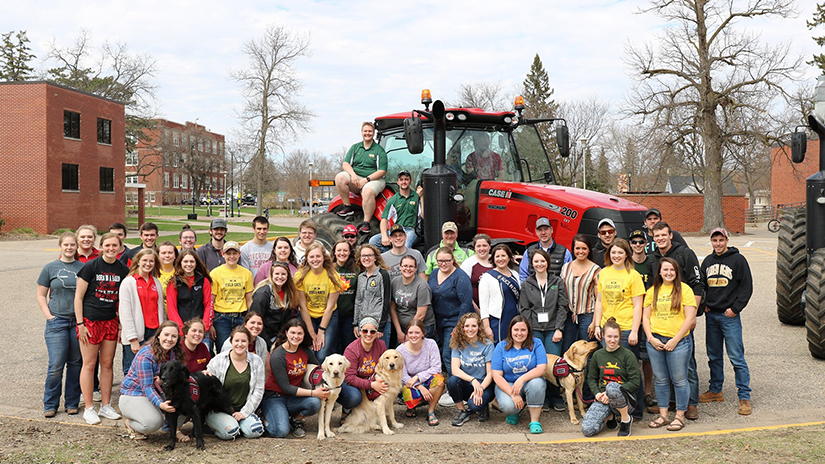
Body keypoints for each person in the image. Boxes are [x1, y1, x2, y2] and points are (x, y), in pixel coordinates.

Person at [650, 221, 704, 420]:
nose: (660, 239)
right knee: (665, 368)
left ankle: (691, 403)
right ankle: (671, 402)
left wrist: (692, 316)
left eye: (663, 235)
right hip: (662, 321)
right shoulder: (653, 258)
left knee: (687, 365)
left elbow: (698, 285)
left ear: (670, 235)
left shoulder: (685, 254)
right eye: (656, 236)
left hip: (684, 318)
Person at [74, 232, 129, 425]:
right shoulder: (91, 266)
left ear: (120, 247)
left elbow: (122, 300)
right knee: (89, 365)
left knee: (107, 364)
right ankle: (89, 407)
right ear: (102, 246)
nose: (111, 249)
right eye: (107, 245)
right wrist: (80, 324)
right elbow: (78, 297)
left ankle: (106, 406)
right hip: (90, 321)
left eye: (115, 245)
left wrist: (121, 325)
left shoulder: (123, 269)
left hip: (110, 322)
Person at [699, 228, 754, 416]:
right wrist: (704, 304)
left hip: (729, 316)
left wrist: (735, 309)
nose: (718, 244)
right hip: (711, 316)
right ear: (711, 241)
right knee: (714, 355)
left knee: (737, 357)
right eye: (714, 240)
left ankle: (744, 396)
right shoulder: (707, 261)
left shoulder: (738, 260)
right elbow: (701, 285)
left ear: (727, 240)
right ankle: (716, 390)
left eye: (721, 240)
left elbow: (746, 287)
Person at [592, 238, 646, 421]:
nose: (616, 256)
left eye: (620, 253)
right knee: (608, 370)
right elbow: (599, 301)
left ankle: (636, 410)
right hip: (607, 329)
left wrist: (634, 330)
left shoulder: (633, 275)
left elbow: (638, 305)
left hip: (625, 329)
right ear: (609, 254)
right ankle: (614, 409)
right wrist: (598, 324)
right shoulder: (604, 273)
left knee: (630, 372)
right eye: (613, 252)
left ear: (626, 255)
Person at [643, 257, 697, 431]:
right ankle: (664, 415)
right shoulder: (653, 291)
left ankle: (680, 415)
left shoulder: (685, 290)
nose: (668, 273)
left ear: (676, 272)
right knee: (661, 380)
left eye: (672, 270)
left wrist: (676, 339)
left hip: (678, 341)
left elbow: (689, 318)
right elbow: (645, 317)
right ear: (659, 272)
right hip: (656, 341)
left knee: (680, 380)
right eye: (665, 270)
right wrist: (651, 338)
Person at [37, 232, 84, 418]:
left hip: (77, 322)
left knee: (75, 363)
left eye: (73, 245)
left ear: (76, 247)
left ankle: (72, 402)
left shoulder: (83, 267)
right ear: (60, 246)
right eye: (66, 245)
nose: (69, 248)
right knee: (56, 364)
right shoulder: (50, 268)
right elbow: (41, 294)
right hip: (57, 321)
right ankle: (50, 404)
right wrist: (49, 316)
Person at [518, 248, 569, 411]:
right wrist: (529, 330)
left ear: (547, 262)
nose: (540, 264)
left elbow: (562, 306)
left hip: (554, 328)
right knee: (538, 363)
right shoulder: (527, 284)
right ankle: (543, 397)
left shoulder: (557, 281)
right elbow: (524, 308)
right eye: (536, 262)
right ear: (532, 264)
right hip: (535, 329)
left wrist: (559, 328)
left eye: (542, 261)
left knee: (554, 363)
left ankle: (555, 396)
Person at [263, 319, 329, 438]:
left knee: (314, 403)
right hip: (275, 397)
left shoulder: (304, 350)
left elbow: (318, 369)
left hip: (293, 397)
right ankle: (264, 419)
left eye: (299, 333)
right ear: (286, 332)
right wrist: (314, 392)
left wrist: (325, 385)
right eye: (293, 333)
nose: (296, 336)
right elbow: (286, 387)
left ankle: (295, 419)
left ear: (304, 335)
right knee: (281, 431)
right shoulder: (278, 355)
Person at [119, 320, 184, 440]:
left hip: (154, 392)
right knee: (153, 423)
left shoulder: (172, 354)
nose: (169, 339)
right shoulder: (146, 356)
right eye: (166, 335)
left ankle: (175, 428)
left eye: (174, 336)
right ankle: (131, 423)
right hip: (134, 394)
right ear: (158, 335)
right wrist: (160, 404)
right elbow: (147, 387)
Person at [582, 317, 640, 437]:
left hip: (625, 399)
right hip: (604, 398)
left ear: (620, 337)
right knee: (588, 430)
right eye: (609, 337)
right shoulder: (598, 355)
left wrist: (610, 391)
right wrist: (598, 394)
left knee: (612, 387)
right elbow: (591, 378)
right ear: (603, 336)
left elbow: (635, 382)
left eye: (616, 337)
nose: (612, 340)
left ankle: (625, 419)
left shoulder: (628, 355)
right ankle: (610, 416)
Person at [206, 326, 265, 440]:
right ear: (231, 341)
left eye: (244, 341)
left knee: (255, 431)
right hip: (220, 410)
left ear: (249, 342)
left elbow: (258, 391)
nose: (240, 344)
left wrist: (244, 413)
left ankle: (238, 423)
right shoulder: (218, 360)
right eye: (236, 340)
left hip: (243, 408)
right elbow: (208, 386)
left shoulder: (256, 361)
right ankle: (220, 424)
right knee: (231, 432)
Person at [491, 316, 547, 434]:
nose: (519, 333)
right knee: (509, 407)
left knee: (537, 383)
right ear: (510, 330)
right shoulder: (501, 346)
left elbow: (541, 368)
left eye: (523, 330)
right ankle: (515, 411)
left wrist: (522, 379)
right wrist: (513, 394)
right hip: (508, 383)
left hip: (529, 382)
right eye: (516, 330)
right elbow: (496, 375)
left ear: (528, 331)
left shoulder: (536, 343)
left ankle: (534, 421)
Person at [118, 249, 166, 375]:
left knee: (153, 368)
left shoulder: (156, 282)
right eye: (145, 260)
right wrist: (132, 338)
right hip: (137, 334)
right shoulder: (128, 282)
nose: (148, 263)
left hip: (154, 332)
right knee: (134, 370)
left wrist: (162, 331)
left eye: (151, 261)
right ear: (138, 261)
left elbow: (161, 309)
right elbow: (125, 312)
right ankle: (131, 394)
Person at [335, 121, 388, 234]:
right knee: (340, 177)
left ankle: (366, 223)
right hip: (356, 177)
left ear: (373, 133)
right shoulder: (355, 148)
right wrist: (353, 175)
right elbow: (346, 164)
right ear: (362, 132)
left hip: (374, 179)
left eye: (370, 131)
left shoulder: (379, 150)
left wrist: (366, 179)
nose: (367, 133)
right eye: (365, 131)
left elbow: (382, 171)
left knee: (368, 191)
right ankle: (347, 206)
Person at [429, 246, 474, 375]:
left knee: (448, 355)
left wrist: (459, 326)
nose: (443, 264)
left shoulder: (460, 277)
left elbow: (465, 303)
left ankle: (454, 386)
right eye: (439, 261)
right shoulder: (434, 273)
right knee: (441, 353)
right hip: (439, 320)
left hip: (455, 320)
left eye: (446, 261)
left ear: (452, 259)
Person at [295, 242, 342, 360]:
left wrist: (321, 331)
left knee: (321, 354)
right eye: (311, 257)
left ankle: (322, 377)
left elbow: (330, 307)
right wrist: (311, 332)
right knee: (310, 352)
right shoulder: (300, 276)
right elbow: (302, 307)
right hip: (308, 316)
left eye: (318, 256)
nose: (315, 260)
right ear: (307, 259)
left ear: (323, 257)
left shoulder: (333, 276)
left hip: (328, 317)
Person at [447, 312, 495, 426]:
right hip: (468, 383)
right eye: (467, 326)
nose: (470, 329)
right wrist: (473, 381)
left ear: (479, 327)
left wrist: (480, 388)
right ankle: (461, 410)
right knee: (452, 381)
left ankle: (483, 405)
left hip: (485, 384)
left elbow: (490, 374)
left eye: (474, 326)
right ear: (462, 328)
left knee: (474, 406)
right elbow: (455, 370)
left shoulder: (487, 345)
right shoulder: (457, 343)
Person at [397, 320, 445, 426]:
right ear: (407, 334)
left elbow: (436, 368)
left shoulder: (431, 344)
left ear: (423, 333)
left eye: (417, 332)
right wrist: (419, 386)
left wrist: (417, 377)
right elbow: (403, 376)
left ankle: (431, 411)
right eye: (410, 333)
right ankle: (412, 406)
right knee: (408, 392)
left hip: (426, 379)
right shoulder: (400, 350)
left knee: (439, 380)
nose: (414, 336)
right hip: (409, 383)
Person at [166, 249, 214, 351]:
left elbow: (208, 305)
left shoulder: (203, 281)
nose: (189, 264)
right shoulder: (173, 282)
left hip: (201, 331)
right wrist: (182, 330)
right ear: (180, 263)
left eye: (192, 261)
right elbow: (171, 308)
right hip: (181, 331)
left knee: (203, 358)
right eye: (185, 261)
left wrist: (204, 326)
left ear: (196, 263)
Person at [629, 229, 655, 412]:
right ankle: (630, 393)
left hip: (648, 316)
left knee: (647, 358)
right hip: (629, 317)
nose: (637, 245)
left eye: (641, 242)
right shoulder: (626, 264)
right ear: (630, 244)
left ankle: (647, 393)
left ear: (646, 243)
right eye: (634, 242)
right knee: (631, 358)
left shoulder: (652, 263)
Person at [210, 241, 254, 351]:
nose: (231, 256)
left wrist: (250, 319)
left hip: (240, 317)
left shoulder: (246, 273)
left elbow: (249, 299)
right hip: (221, 318)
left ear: (239, 254)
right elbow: (211, 300)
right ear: (222, 254)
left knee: (241, 349)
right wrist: (210, 322)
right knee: (224, 350)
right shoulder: (215, 273)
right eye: (228, 254)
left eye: (234, 253)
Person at [341, 317, 388, 421]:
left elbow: (384, 367)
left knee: (387, 388)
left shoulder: (381, 345)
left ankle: (380, 415)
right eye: (365, 331)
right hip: (353, 384)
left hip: (373, 379)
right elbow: (349, 378)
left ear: (376, 333)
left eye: (372, 331)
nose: (368, 334)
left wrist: (379, 382)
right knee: (355, 397)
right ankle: (347, 410)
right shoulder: (352, 349)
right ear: (360, 331)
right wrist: (372, 385)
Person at [560, 234, 601, 348]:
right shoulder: (566, 267)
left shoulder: (596, 270)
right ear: (573, 249)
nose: (580, 251)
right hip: (568, 316)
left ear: (589, 250)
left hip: (587, 316)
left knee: (586, 351)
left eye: (584, 248)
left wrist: (594, 323)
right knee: (568, 350)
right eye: (577, 248)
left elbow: (599, 300)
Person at [250, 262, 299, 350]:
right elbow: (255, 321)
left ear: (288, 276)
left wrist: (279, 340)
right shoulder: (263, 294)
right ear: (271, 275)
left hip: (277, 336)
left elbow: (286, 320)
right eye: (277, 274)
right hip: (261, 336)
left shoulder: (289, 293)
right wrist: (269, 344)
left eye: (283, 274)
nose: (280, 277)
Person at [480, 244, 522, 343]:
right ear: (493, 259)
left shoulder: (515, 274)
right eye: (497, 256)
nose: (500, 259)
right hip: (498, 321)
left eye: (503, 255)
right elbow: (483, 304)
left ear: (509, 257)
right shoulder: (487, 277)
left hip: (515, 318)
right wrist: (486, 326)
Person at [370, 170, 419, 251]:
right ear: (398, 182)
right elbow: (384, 220)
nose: (404, 182)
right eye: (401, 179)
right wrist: (385, 235)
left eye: (406, 179)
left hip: (411, 230)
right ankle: (392, 256)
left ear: (410, 181)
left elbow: (423, 215)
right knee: (373, 241)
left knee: (406, 245)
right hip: (397, 229)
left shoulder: (417, 197)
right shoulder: (393, 200)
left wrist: (422, 196)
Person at [353, 244, 392, 346]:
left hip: (379, 323)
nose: (366, 258)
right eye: (363, 256)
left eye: (369, 255)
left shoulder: (382, 275)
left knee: (382, 356)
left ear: (375, 258)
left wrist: (381, 327)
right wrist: (356, 323)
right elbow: (358, 300)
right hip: (364, 324)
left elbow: (386, 300)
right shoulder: (361, 277)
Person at [390, 255, 435, 342]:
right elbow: (392, 308)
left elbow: (421, 315)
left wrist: (409, 334)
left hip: (421, 327)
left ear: (416, 268)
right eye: (405, 266)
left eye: (411, 266)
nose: (408, 269)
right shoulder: (395, 282)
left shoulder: (422, 286)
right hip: (402, 327)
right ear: (400, 267)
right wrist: (399, 331)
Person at [518, 217, 573, 283]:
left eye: (546, 229)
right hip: (534, 292)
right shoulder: (529, 252)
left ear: (552, 230)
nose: (543, 233)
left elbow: (568, 277)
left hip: (555, 292)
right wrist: (529, 291)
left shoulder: (564, 252)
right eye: (540, 230)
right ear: (536, 232)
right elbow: (523, 276)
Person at [333, 240, 359, 353]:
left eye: (345, 250)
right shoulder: (330, 268)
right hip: (332, 315)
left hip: (349, 316)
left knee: (347, 347)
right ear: (334, 252)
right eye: (339, 250)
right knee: (332, 347)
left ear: (350, 252)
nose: (342, 253)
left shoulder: (356, 269)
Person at [460, 233, 494, 312]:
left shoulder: (497, 260)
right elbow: (464, 290)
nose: (482, 249)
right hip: (474, 308)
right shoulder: (468, 263)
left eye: (484, 245)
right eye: (478, 246)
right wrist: (478, 311)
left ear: (489, 246)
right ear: (474, 248)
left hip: (495, 308)